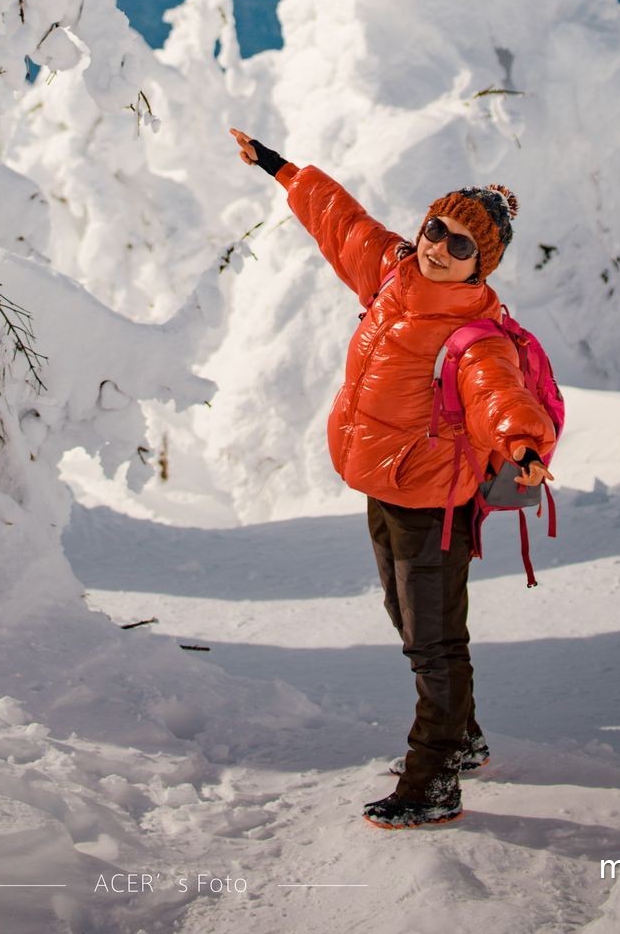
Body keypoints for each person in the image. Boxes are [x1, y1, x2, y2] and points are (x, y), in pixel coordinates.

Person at [228, 128, 557, 832]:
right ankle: (462, 740)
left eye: (459, 244)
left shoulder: (475, 335)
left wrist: (523, 445)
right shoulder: (392, 274)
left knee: (433, 642)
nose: (438, 246)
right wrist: (279, 167)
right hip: (384, 483)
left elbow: (501, 398)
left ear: (481, 264)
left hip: (434, 500)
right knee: (410, 623)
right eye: (436, 229)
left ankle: (432, 778)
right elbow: (341, 221)